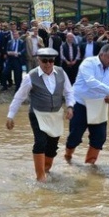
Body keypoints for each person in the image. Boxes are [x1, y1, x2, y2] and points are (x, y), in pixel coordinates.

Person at [6, 48, 74, 181]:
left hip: (56, 114)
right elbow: (19, 97)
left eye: (51, 61)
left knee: (53, 145)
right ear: (38, 60)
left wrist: (70, 106)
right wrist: (10, 115)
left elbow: (69, 92)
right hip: (37, 114)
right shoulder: (30, 76)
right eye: (44, 60)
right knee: (40, 142)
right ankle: (40, 175)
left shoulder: (61, 72)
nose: (48, 64)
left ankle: (46, 168)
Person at [64, 43, 109, 165]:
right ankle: (68, 156)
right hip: (80, 103)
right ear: (102, 54)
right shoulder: (88, 63)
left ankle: (90, 165)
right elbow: (91, 82)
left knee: (99, 137)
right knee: (75, 136)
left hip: (99, 106)